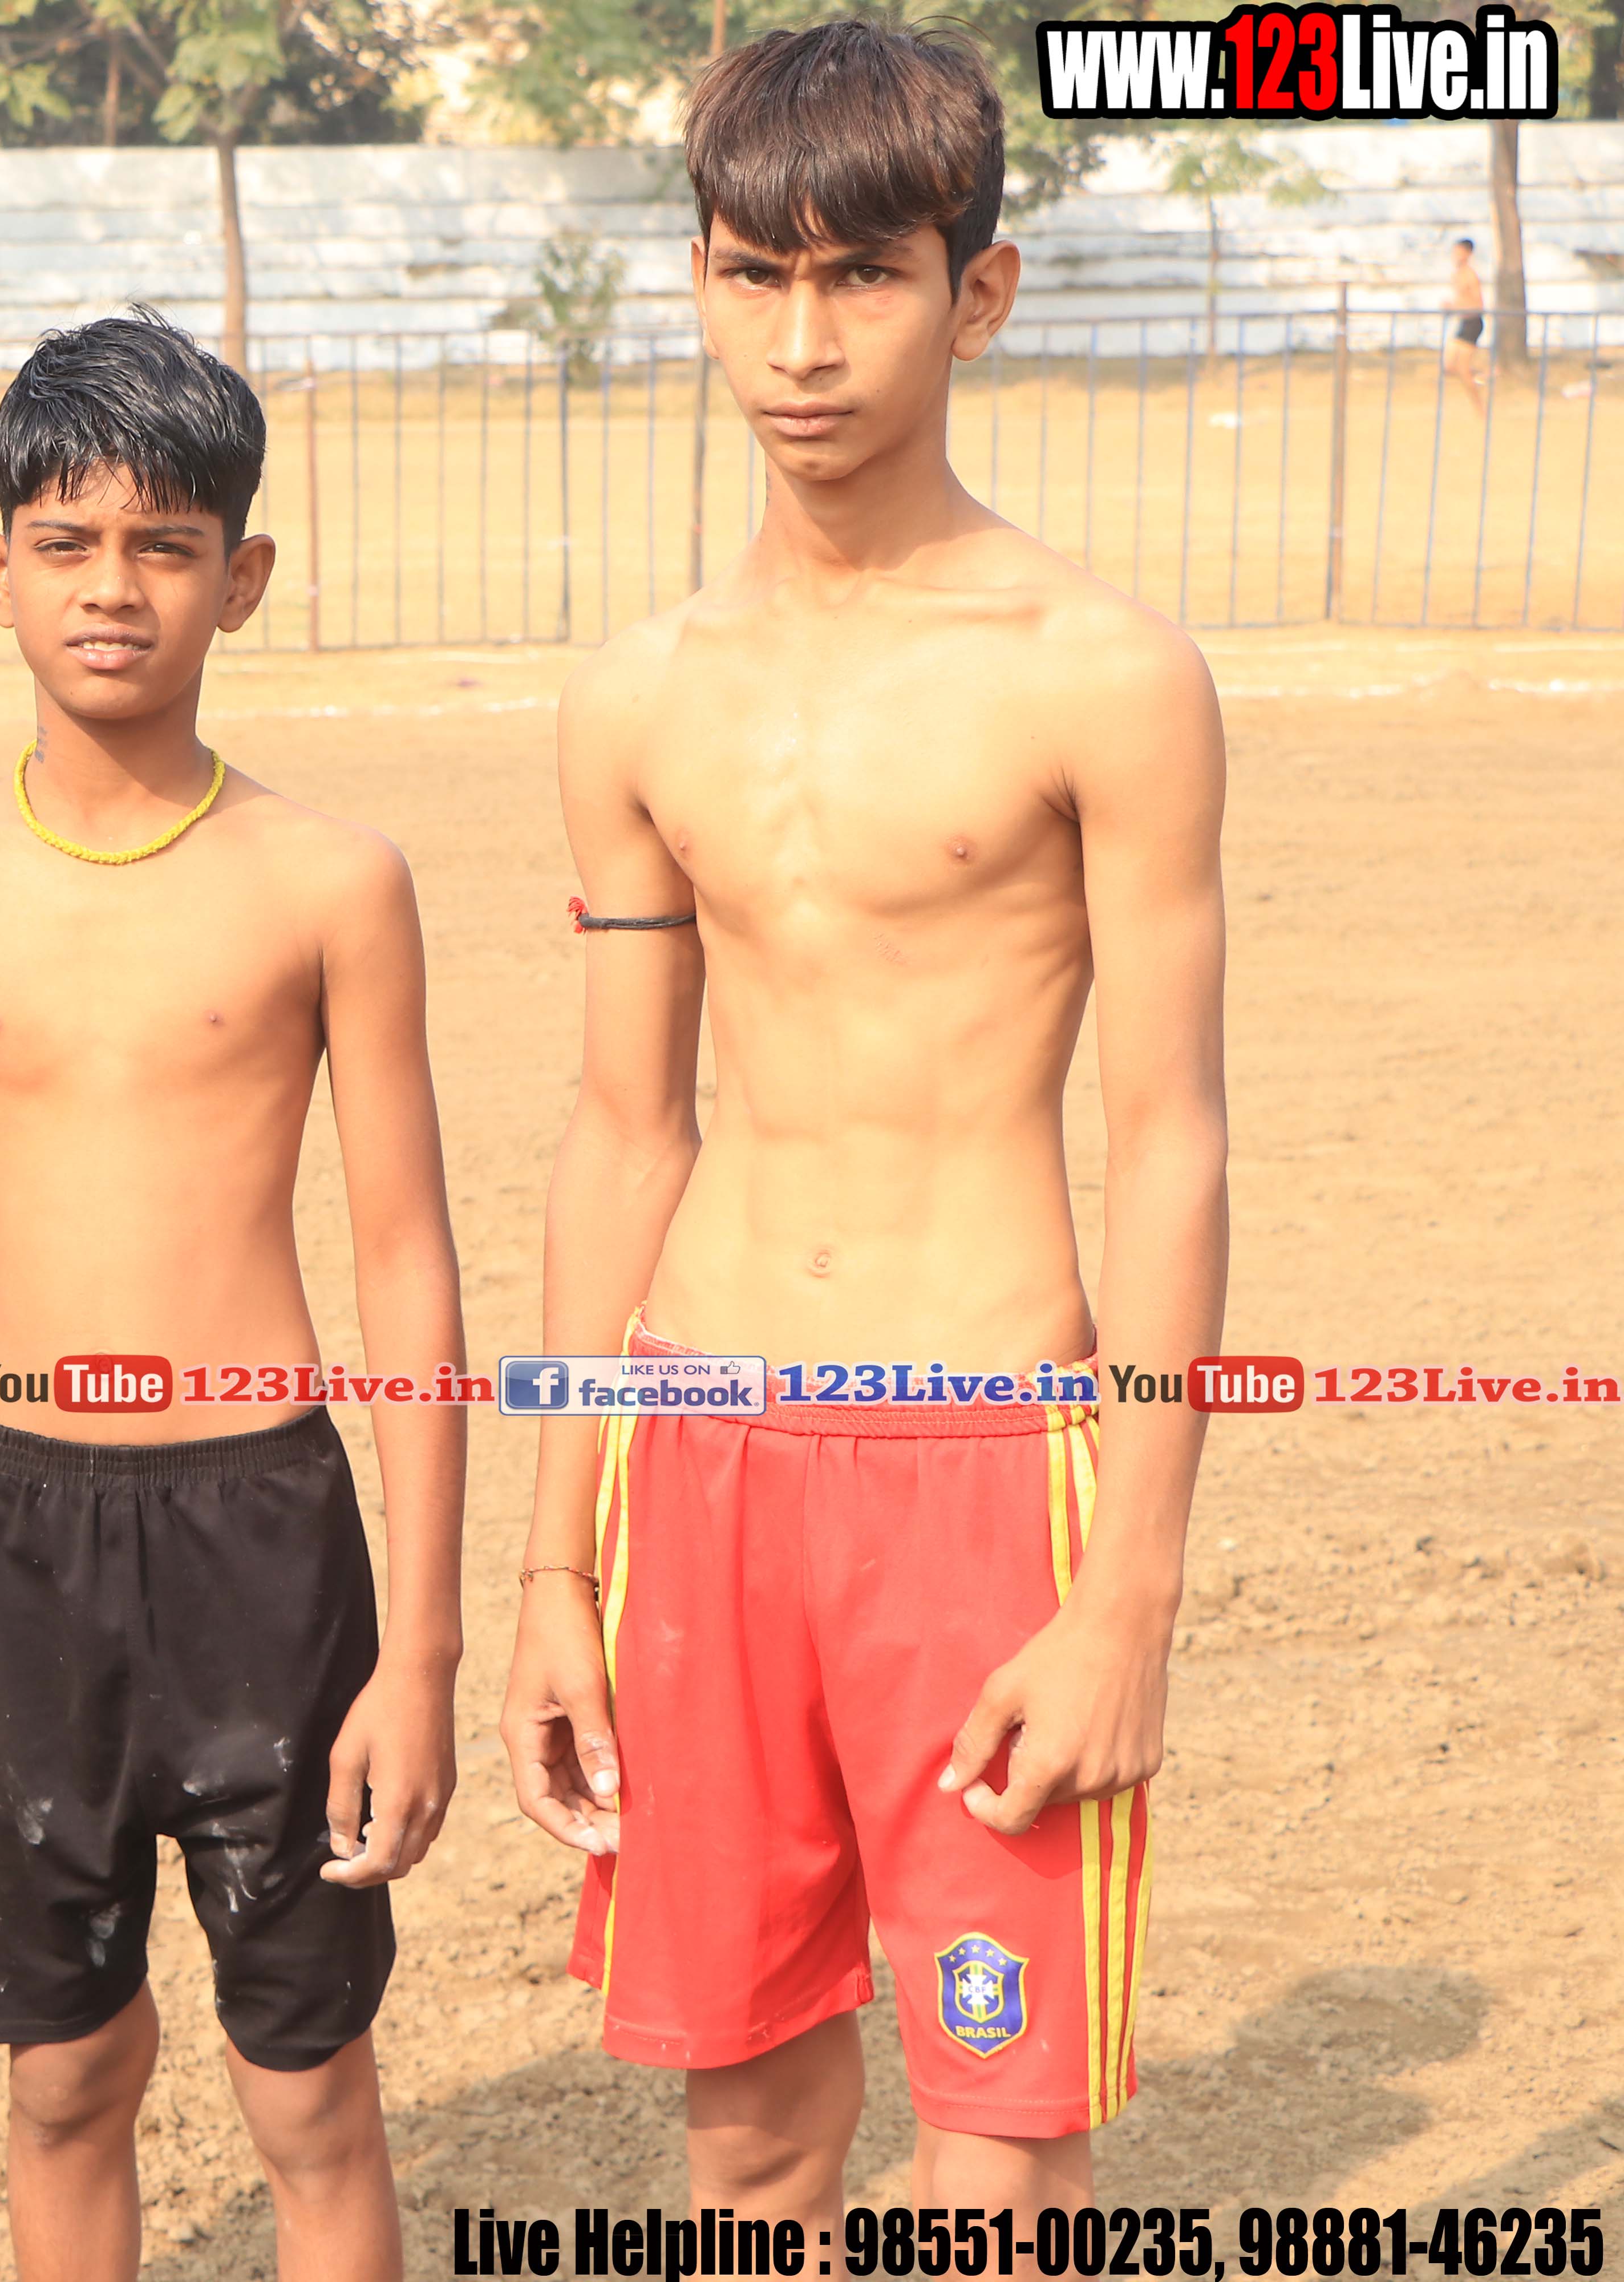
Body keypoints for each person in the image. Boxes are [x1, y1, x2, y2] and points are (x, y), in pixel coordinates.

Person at [495, 22, 1229, 2220]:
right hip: (698, 1448)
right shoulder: (635, 693)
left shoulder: (1099, 669)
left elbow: (1169, 1137)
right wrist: (551, 1562)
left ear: (972, 292)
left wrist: (1130, 1593)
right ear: (700, 283)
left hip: (983, 1461)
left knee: (999, 2154)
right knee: (743, 2144)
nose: (800, 344)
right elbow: (621, 1132)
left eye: (862, 279)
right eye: (755, 276)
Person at [0, 309, 467, 2282]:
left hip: (267, 1526)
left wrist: (417, 1649)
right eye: (66, 542)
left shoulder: (332, 881)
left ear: (239, 579)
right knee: (62, 2077)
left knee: (308, 2089)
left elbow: (404, 1259)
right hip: (16, 1534)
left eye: (165, 545)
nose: (111, 587)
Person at [1443, 236, 1490, 412]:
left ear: (1468, 254)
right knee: (1449, 366)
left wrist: (1456, 307)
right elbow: (1460, 300)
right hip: (1463, 322)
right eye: (1455, 252)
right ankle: (1482, 376)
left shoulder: (1471, 276)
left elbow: (1479, 305)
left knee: (1462, 369)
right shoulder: (1456, 275)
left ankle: (1480, 409)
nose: (1456, 256)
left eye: (1460, 253)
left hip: (1473, 323)